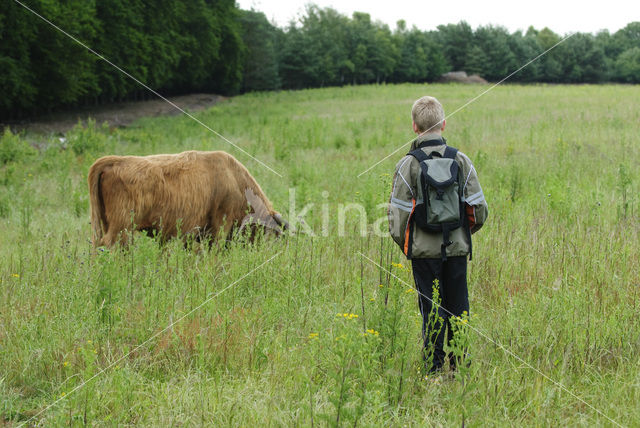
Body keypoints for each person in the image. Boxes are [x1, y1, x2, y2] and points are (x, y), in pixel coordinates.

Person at [387, 96, 488, 374]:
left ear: (414, 127)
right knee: (459, 307)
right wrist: (463, 234)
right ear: (444, 123)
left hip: (423, 254)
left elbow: (397, 220)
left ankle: (432, 369)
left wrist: (412, 245)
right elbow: (478, 209)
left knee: (430, 309)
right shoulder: (462, 160)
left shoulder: (407, 165)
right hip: (456, 249)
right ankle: (459, 369)